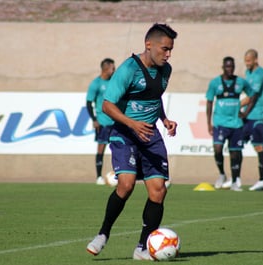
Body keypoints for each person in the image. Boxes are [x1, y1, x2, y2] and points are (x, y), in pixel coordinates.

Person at [86, 23, 178, 260]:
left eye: (170, 50)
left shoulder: (166, 70)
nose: (168, 54)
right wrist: (131, 123)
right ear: (149, 44)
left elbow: (154, 99)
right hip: (125, 135)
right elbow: (107, 105)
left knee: (158, 191)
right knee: (125, 185)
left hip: (151, 137)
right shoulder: (128, 69)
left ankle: (142, 248)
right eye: (164, 49)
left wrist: (165, 119)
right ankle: (103, 234)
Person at [206, 56, 255, 191]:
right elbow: (209, 103)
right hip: (220, 123)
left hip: (236, 123)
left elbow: (252, 95)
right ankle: (221, 174)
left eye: (232, 67)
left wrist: (245, 113)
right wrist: (209, 123)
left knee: (235, 153)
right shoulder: (215, 83)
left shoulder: (241, 82)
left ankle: (234, 181)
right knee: (217, 148)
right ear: (223, 67)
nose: (230, 69)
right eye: (227, 66)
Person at [241, 49, 263, 191]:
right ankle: (235, 179)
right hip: (248, 116)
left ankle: (261, 181)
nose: (247, 63)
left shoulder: (260, 74)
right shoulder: (248, 73)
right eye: (245, 60)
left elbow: (252, 97)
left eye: (249, 61)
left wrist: (236, 105)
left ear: (255, 60)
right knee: (236, 144)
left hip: (258, 116)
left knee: (258, 146)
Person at [86, 58, 116, 185]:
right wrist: (94, 120)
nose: (114, 70)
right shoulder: (96, 83)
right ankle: (98, 177)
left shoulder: (114, 82)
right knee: (101, 148)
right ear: (105, 68)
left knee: (119, 148)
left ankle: (118, 174)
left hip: (115, 121)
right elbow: (88, 103)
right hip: (102, 121)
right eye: (112, 68)